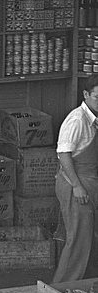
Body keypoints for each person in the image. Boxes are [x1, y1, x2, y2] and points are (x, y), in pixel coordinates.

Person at [52, 75, 98, 282]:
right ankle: (62, 289)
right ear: (86, 95)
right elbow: (64, 155)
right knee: (79, 238)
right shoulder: (77, 119)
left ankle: (85, 286)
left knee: (89, 236)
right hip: (74, 183)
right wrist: (77, 186)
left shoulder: (95, 119)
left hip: (90, 179)